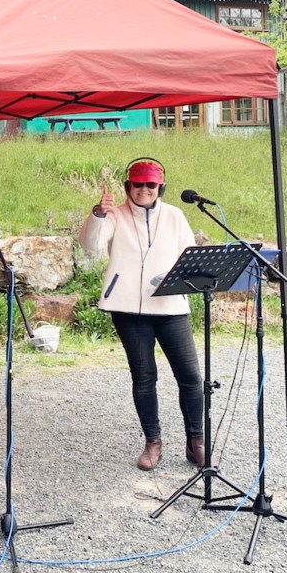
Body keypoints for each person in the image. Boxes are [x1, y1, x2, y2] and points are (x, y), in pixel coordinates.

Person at [78, 159, 206, 471]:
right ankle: (153, 441)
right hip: (127, 308)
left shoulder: (175, 215)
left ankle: (197, 441)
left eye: (151, 184)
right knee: (144, 376)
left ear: (160, 187)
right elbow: (90, 246)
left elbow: (189, 257)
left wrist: (177, 278)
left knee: (190, 376)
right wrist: (98, 214)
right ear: (128, 186)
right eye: (138, 184)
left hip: (170, 306)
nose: (145, 189)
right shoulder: (115, 215)